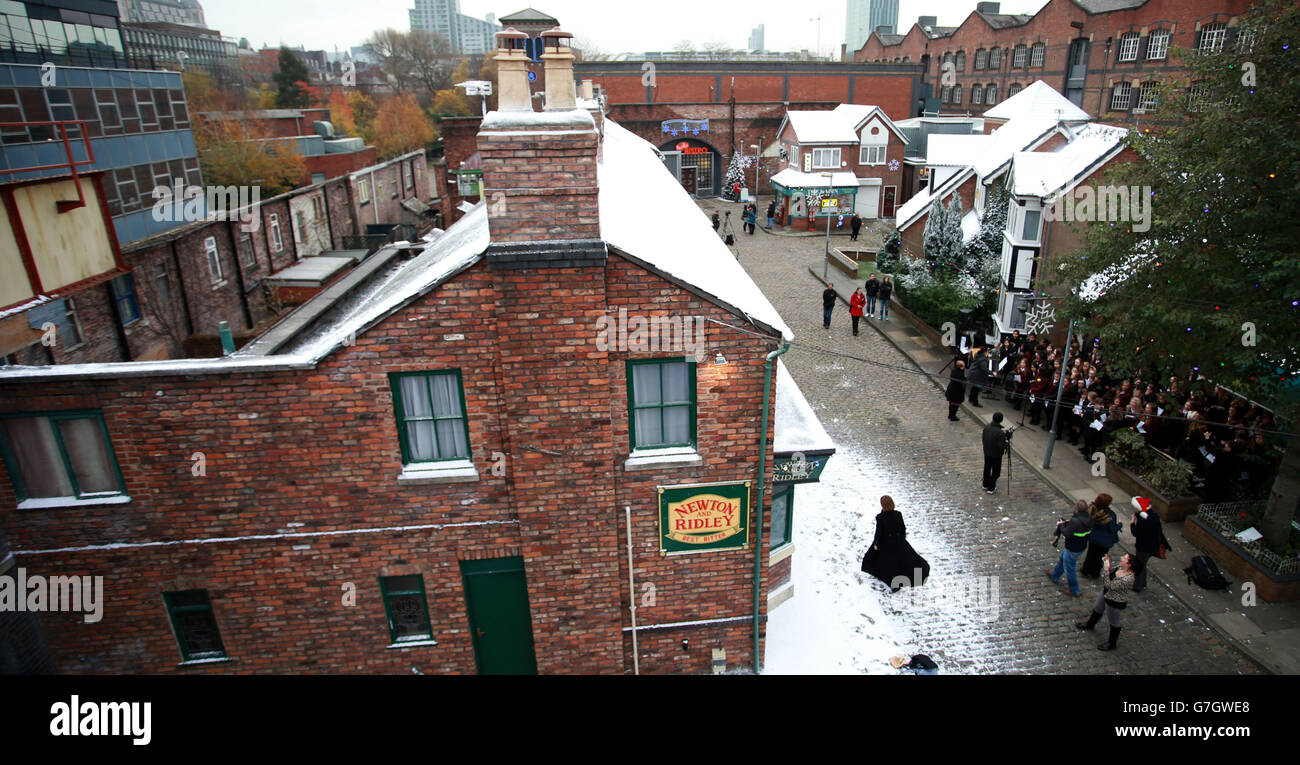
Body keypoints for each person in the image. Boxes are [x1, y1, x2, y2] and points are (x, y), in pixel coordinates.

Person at [860, 495, 930, 592]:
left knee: (888, 564)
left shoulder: (880, 518)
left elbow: (879, 533)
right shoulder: (898, 514)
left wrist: (876, 544)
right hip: (899, 542)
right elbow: (903, 529)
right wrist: (902, 540)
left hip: (886, 543)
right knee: (906, 561)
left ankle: (894, 583)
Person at [1076, 552, 1143, 651]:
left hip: (1114, 600)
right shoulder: (1120, 567)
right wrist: (1107, 563)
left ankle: (1112, 643)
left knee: (1113, 620)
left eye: (1124, 558)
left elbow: (1109, 585)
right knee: (1098, 608)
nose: (1121, 558)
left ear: (1129, 565)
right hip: (1105, 593)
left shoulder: (1128, 579)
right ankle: (1090, 624)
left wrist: (1106, 569)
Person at [1048, 500, 1093, 597]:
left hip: (1072, 547)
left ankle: (1074, 590)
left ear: (1076, 508)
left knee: (1069, 568)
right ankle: (1055, 575)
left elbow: (1067, 533)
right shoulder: (1089, 519)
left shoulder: (1075, 521)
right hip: (1081, 546)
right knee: (1063, 558)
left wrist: (1060, 526)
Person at [1129, 496, 1171, 592]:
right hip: (1152, 546)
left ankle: (1138, 586)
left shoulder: (1143, 521)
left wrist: (1132, 522)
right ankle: (1142, 583)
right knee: (1142, 565)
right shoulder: (1154, 517)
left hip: (1144, 547)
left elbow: (1135, 533)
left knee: (1139, 566)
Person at [1080, 494, 1120, 578]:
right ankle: (1094, 573)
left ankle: (1085, 570)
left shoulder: (1092, 510)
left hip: (1093, 537)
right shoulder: (1110, 515)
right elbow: (1113, 529)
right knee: (1099, 558)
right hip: (1104, 541)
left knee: (1090, 554)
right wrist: (1120, 524)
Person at [981, 412, 1006, 493]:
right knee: (996, 471)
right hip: (996, 455)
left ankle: (985, 484)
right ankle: (991, 487)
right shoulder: (1000, 433)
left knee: (987, 468)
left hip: (987, 452)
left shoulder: (987, 427)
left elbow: (983, 439)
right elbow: (1001, 447)